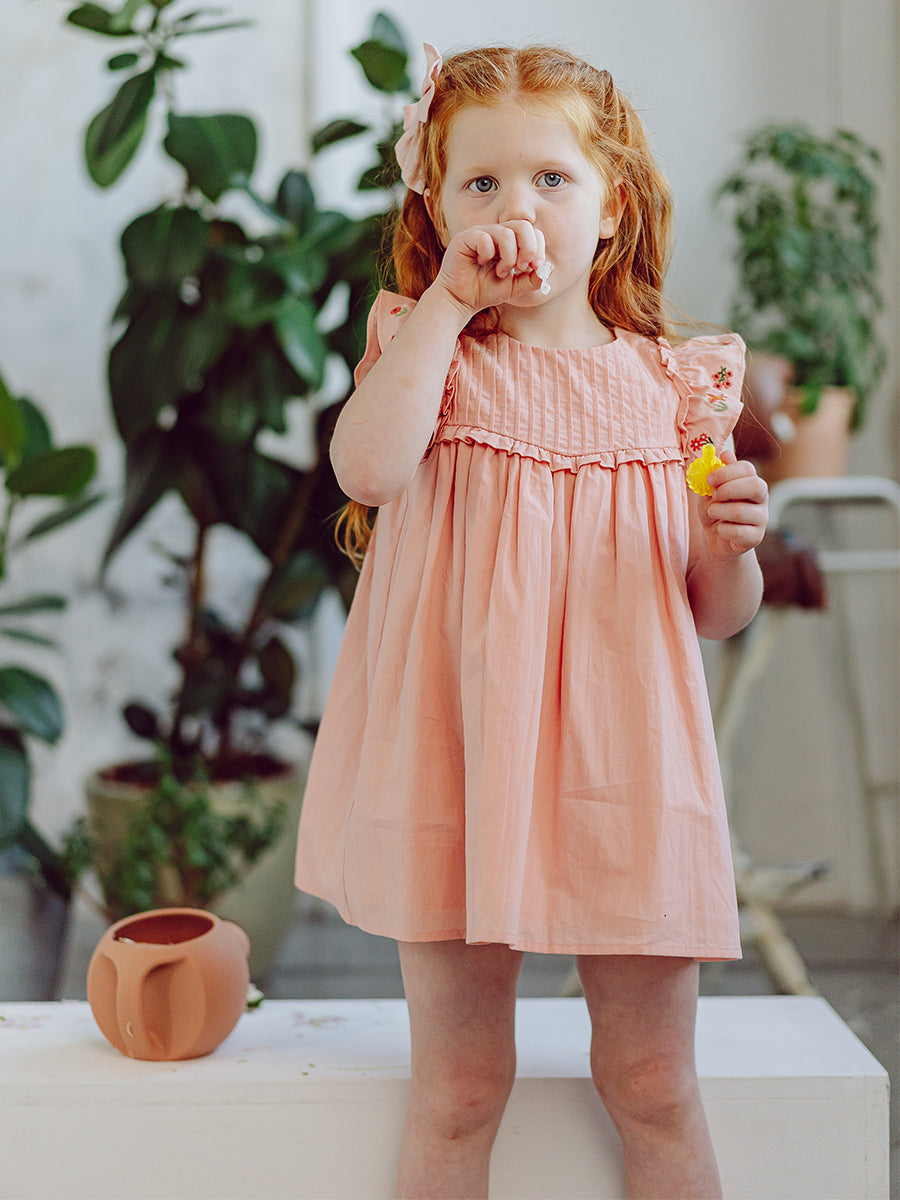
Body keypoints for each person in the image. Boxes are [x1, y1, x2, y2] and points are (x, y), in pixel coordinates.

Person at [296, 41, 768, 1200]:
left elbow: (717, 614)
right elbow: (366, 470)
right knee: (459, 1091)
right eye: (482, 183)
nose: (516, 209)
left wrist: (730, 545)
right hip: (459, 759)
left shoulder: (678, 389)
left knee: (654, 1084)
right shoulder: (430, 354)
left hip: (630, 770)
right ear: (437, 209)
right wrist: (448, 305)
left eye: (552, 179)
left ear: (612, 209)